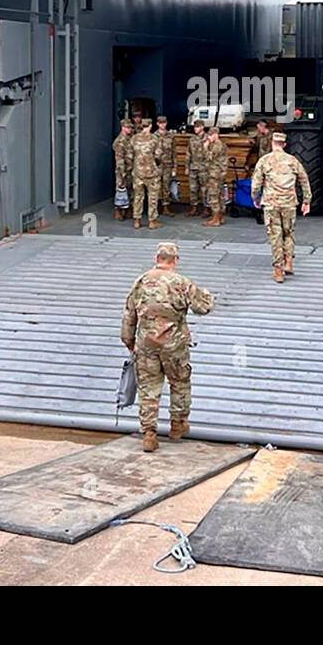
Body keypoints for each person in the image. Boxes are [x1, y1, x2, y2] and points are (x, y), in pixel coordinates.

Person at [121, 242, 215, 452]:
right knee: (179, 382)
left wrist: (129, 341)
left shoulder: (141, 281)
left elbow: (129, 314)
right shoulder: (181, 283)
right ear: (175, 260)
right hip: (175, 345)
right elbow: (203, 308)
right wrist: (209, 295)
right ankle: (177, 425)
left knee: (148, 389)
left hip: (146, 345)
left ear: (157, 258)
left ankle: (149, 434)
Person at [250, 131, 311, 283]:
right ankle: (289, 262)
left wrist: (255, 198)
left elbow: (256, 183)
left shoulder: (264, 160)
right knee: (288, 233)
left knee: (275, 236)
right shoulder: (293, 161)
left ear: (272, 143)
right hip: (289, 203)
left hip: (271, 204)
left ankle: (278, 270)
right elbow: (304, 179)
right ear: (284, 144)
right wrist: (306, 201)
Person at [130, 122, 162, 230]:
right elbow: (158, 155)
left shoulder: (134, 138)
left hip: (138, 173)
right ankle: (152, 222)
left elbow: (130, 155)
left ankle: (137, 221)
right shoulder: (154, 138)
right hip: (151, 173)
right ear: (150, 126)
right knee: (152, 197)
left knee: (138, 197)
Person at [201, 125, 228, 227]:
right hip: (217, 173)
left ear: (216, 135)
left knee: (214, 195)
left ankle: (215, 219)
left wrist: (205, 147)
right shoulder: (218, 144)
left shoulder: (217, 145)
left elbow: (210, 157)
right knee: (219, 195)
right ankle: (219, 217)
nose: (209, 137)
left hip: (215, 174)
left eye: (211, 135)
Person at [111, 118, 134, 220]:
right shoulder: (120, 141)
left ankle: (128, 210)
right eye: (128, 127)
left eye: (130, 127)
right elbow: (119, 160)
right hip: (122, 170)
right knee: (121, 190)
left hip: (131, 169)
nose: (130, 129)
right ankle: (118, 211)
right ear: (123, 127)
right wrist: (122, 173)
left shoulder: (130, 138)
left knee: (130, 191)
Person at [154, 115, 176, 216]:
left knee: (166, 186)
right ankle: (155, 208)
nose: (162, 125)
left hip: (167, 165)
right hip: (157, 165)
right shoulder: (153, 136)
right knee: (156, 187)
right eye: (160, 123)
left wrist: (175, 166)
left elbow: (174, 152)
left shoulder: (170, 136)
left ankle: (166, 207)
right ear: (157, 124)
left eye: (164, 123)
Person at [186, 119, 208, 216]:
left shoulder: (208, 138)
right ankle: (194, 208)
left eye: (198, 127)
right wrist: (187, 167)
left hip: (204, 168)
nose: (195, 129)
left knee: (205, 189)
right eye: (195, 127)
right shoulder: (192, 139)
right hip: (193, 167)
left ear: (202, 127)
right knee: (193, 189)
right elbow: (188, 154)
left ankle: (206, 208)